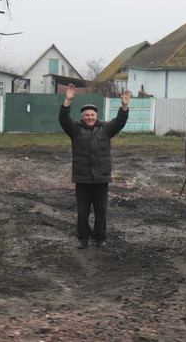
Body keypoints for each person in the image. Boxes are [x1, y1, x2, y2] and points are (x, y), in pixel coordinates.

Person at [59, 83, 132, 249]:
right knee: (83, 211)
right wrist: (67, 101)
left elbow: (120, 121)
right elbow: (63, 119)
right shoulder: (75, 129)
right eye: (86, 115)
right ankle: (83, 238)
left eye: (92, 115)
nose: (90, 117)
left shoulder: (106, 129)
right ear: (82, 117)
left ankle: (100, 237)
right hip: (82, 177)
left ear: (96, 116)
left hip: (101, 177)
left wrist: (124, 105)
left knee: (101, 211)